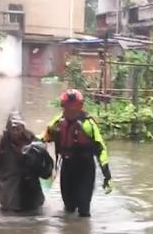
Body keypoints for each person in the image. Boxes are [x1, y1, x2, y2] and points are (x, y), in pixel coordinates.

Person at [41, 89, 112, 217]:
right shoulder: (58, 123)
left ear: (80, 108)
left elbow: (101, 149)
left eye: (74, 109)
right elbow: (43, 138)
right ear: (63, 107)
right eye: (67, 108)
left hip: (85, 169)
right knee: (68, 209)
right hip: (67, 168)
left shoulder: (88, 125)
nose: (70, 112)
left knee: (84, 211)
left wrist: (107, 175)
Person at [0, 112, 53, 212]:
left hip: (32, 196)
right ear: (8, 129)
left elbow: (47, 170)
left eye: (19, 128)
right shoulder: (1, 144)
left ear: (23, 128)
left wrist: (38, 162)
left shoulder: (33, 141)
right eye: (13, 128)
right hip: (10, 197)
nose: (16, 132)